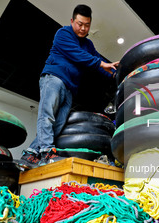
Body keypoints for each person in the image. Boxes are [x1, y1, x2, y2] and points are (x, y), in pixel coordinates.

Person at [18, 4, 119, 168]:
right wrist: (102, 64)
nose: (83, 28)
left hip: (70, 88)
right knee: (47, 116)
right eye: (80, 24)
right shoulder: (63, 33)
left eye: (87, 25)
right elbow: (79, 56)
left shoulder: (88, 45)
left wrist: (116, 73)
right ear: (72, 21)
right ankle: (47, 153)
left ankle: (30, 155)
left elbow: (98, 65)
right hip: (54, 78)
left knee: (58, 124)